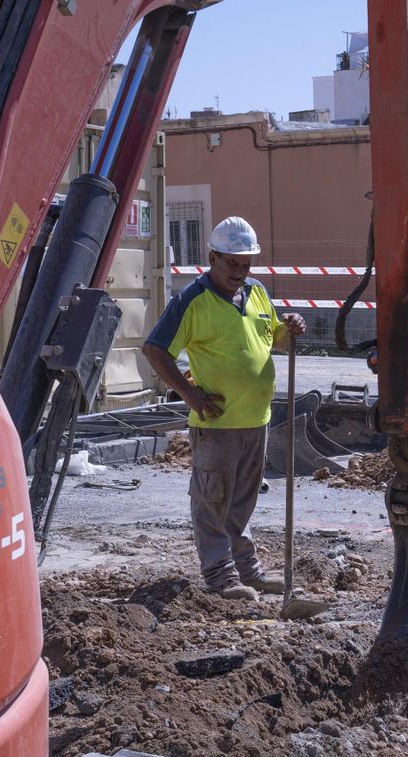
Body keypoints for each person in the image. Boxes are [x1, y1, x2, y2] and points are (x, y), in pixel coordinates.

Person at [143, 216, 306, 602]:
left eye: (246, 263)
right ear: (212, 257)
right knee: (213, 500)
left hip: (256, 419)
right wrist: (189, 395)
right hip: (217, 423)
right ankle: (220, 576)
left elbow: (272, 341)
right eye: (232, 263)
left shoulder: (257, 292)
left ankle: (246, 571)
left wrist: (290, 328)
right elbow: (155, 349)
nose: (240, 271)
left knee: (242, 502)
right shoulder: (191, 300)